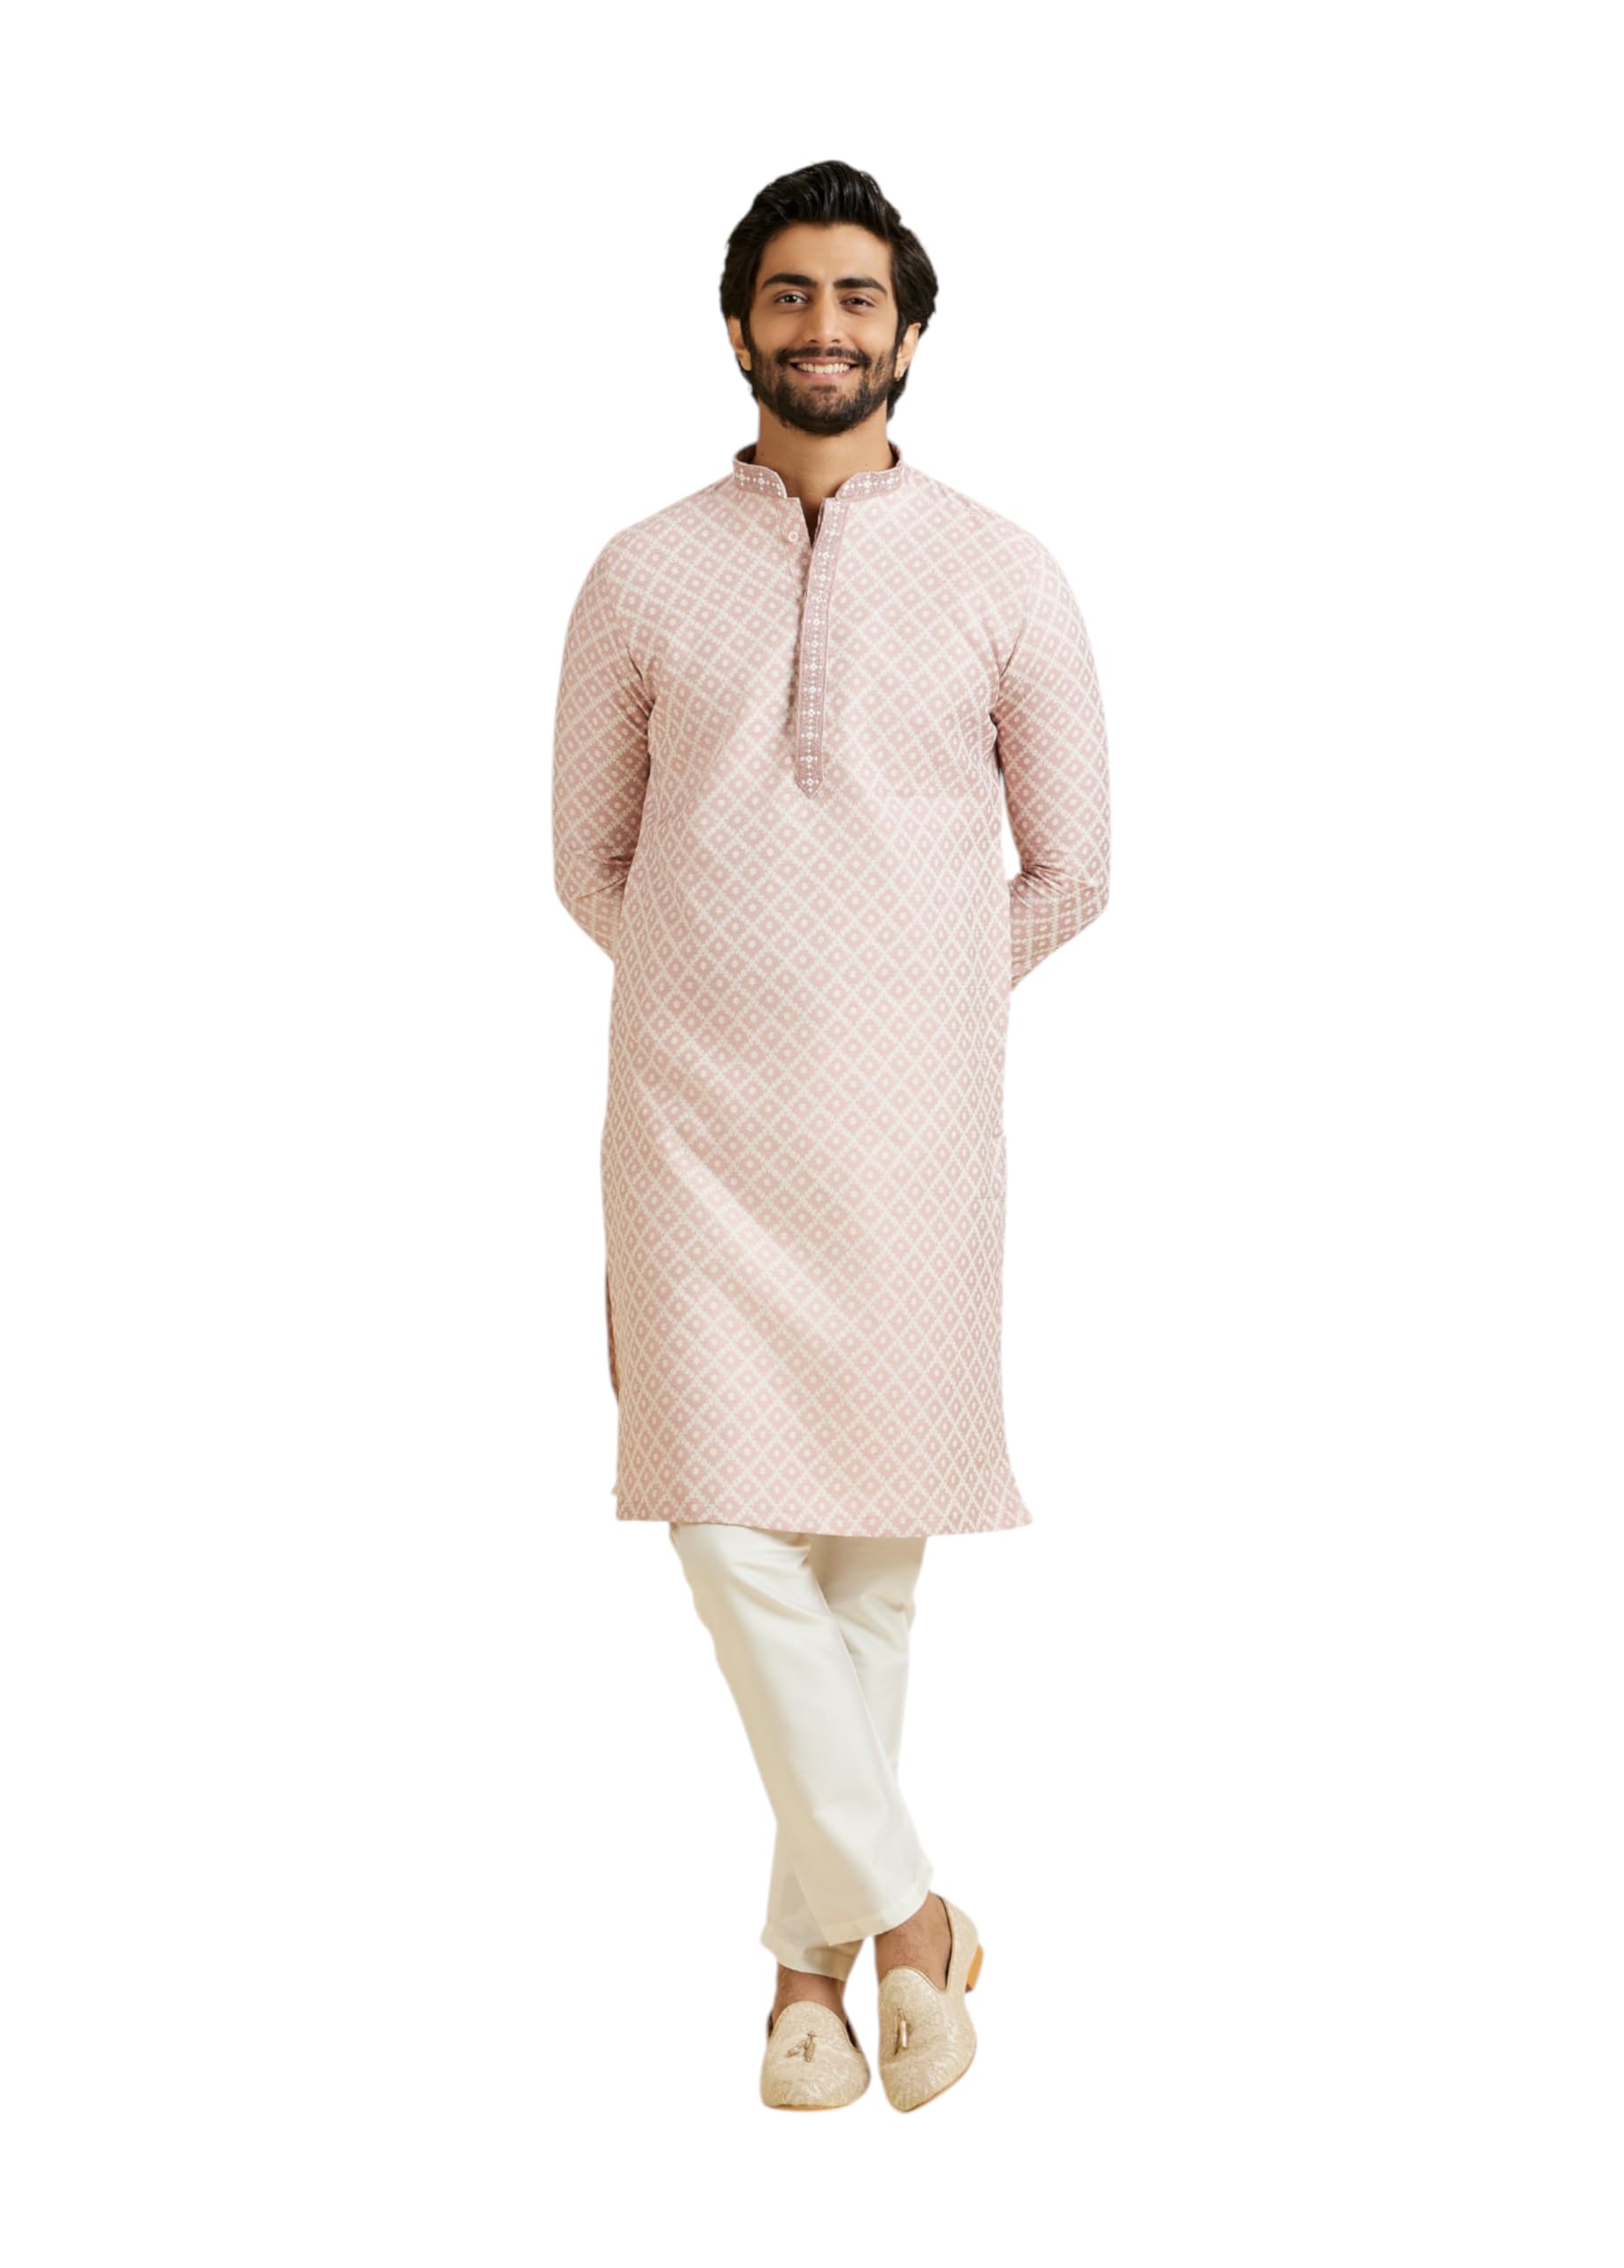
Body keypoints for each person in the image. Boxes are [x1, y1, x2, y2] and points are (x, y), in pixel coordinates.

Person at [551, 160, 1112, 2110]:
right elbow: (590, 861)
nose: (822, 327)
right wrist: (734, 992)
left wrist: (911, 1000)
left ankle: (806, 1992)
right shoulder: (640, 572)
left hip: (910, 1138)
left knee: (869, 1571)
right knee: (723, 1525)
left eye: (857, 297)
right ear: (737, 326)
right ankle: (917, 1922)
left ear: (911, 333)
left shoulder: (1004, 571)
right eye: (788, 295)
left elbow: (1075, 868)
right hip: (695, 1132)